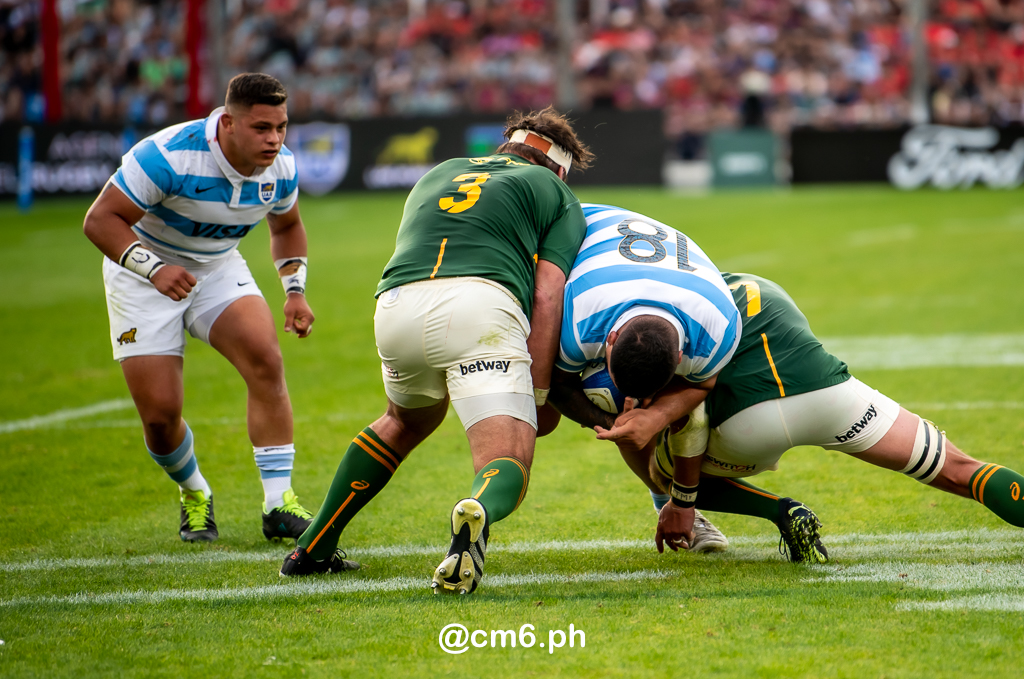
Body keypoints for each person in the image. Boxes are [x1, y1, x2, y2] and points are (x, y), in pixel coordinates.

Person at [280, 107, 595, 595]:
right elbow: (547, 294)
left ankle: (314, 546)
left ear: (506, 146)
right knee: (507, 456)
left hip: (395, 305)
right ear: (559, 167)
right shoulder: (557, 192)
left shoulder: (440, 171)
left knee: (403, 420)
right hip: (481, 307)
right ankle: (477, 514)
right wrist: (538, 390)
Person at [578, 271, 1024, 562]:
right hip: (831, 399)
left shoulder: (688, 327)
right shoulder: (754, 286)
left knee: (664, 469)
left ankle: (780, 510)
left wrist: (682, 501)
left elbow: (689, 421)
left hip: (747, 427)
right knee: (958, 470)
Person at [83, 73, 317, 543]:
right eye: (261, 128)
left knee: (265, 358)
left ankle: (278, 505)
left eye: (282, 127)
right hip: (142, 274)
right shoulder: (167, 155)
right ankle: (194, 492)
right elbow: (100, 220)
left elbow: (286, 225)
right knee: (160, 416)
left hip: (215, 269)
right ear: (228, 123)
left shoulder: (282, 167)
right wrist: (152, 268)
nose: (274, 140)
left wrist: (294, 289)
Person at [545, 202, 742, 554]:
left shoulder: (719, 326)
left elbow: (703, 383)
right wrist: (614, 422)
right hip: (572, 225)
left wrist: (655, 416)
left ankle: (680, 506)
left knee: (681, 412)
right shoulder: (576, 321)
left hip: (654, 276)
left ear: (680, 357)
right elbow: (557, 384)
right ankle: (661, 496)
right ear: (610, 339)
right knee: (541, 409)